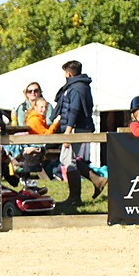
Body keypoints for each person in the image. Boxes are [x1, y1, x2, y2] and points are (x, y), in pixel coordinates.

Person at [52, 59, 106, 203]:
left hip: (75, 128)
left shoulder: (76, 88)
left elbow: (74, 110)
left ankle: (75, 197)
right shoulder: (81, 86)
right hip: (77, 127)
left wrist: (68, 132)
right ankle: (97, 180)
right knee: (70, 159)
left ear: (69, 74)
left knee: (68, 160)